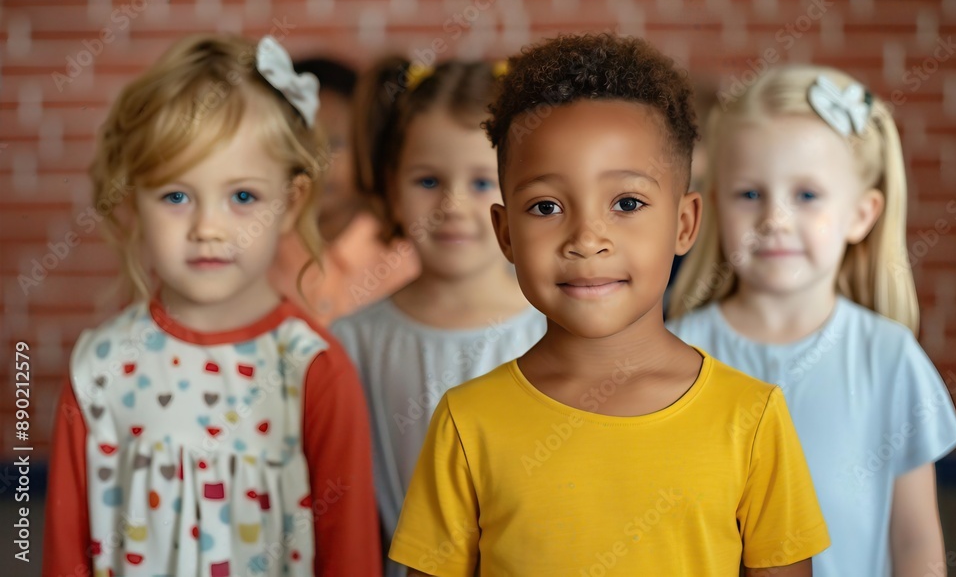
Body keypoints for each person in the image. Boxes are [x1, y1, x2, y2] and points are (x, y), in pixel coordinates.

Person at [389, 34, 831, 576]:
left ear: (685, 223)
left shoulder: (751, 418)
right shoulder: (467, 421)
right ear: (505, 233)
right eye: (546, 206)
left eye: (627, 203)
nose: (586, 238)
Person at [42, 34, 381, 577]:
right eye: (176, 196)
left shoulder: (313, 368)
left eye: (242, 196)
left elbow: (350, 556)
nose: (207, 228)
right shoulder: (101, 368)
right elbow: (65, 551)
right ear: (133, 202)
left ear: (289, 204)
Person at [667, 65, 956, 576]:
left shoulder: (888, 357)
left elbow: (915, 542)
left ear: (861, 214)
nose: (774, 220)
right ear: (715, 204)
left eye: (806, 196)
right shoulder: (677, 354)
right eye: (749, 194)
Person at [329, 56, 547, 577]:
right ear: (390, 185)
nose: (452, 205)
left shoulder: (559, 330)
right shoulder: (352, 343)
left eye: (479, 183)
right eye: (428, 181)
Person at [269, 56, 419, 324]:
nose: (315, 163)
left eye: (335, 143)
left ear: (365, 147)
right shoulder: (262, 250)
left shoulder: (404, 255)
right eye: (298, 143)